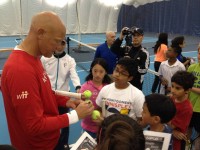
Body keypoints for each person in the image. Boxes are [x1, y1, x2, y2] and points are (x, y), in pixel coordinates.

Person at [1, 11, 94, 150]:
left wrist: (65, 101)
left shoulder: (35, 58)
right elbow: (34, 126)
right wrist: (75, 115)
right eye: (56, 40)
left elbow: (43, 93)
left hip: (48, 142)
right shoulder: (20, 69)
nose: (58, 47)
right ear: (40, 33)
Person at [40, 38, 81, 149]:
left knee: (65, 121)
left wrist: (78, 86)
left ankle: (64, 143)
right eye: (58, 42)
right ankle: (50, 143)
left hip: (64, 97)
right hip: (49, 96)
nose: (60, 45)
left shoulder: (70, 60)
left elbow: (74, 74)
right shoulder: (44, 59)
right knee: (49, 121)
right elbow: (40, 75)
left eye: (63, 43)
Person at [96, 57, 145, 122]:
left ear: (130, 78)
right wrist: (99, 118)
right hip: (106, 130)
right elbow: (99, 109)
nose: (117, 74)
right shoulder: (105, 89)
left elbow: (141, 120)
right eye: (116, 70)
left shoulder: (138, 95)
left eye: (123, 73)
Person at [80, 58, 112, 138]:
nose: (98, 74)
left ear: (105, 72)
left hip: (103, 128)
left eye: (101, 72)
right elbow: (79, 103)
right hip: (87, 127)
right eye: (95, 71)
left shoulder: (108, 88)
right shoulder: (85, 87)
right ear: (91, 70)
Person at [168, 71, 195, 149]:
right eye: (172, 86)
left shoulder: (187, 108)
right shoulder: (171, 98)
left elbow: (171, 126)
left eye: (177, 88)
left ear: (187, 90)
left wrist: (172, 131)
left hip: (176, 143)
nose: (173, 90)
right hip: (167, 136)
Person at [187, 43, 200, 149]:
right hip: (189, 107)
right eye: (199, 53)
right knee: (187, 130)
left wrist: (190, 87)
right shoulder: (191, 67)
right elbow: (184, 87)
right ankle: (186, 147)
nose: (199, 56)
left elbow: (187, 86)